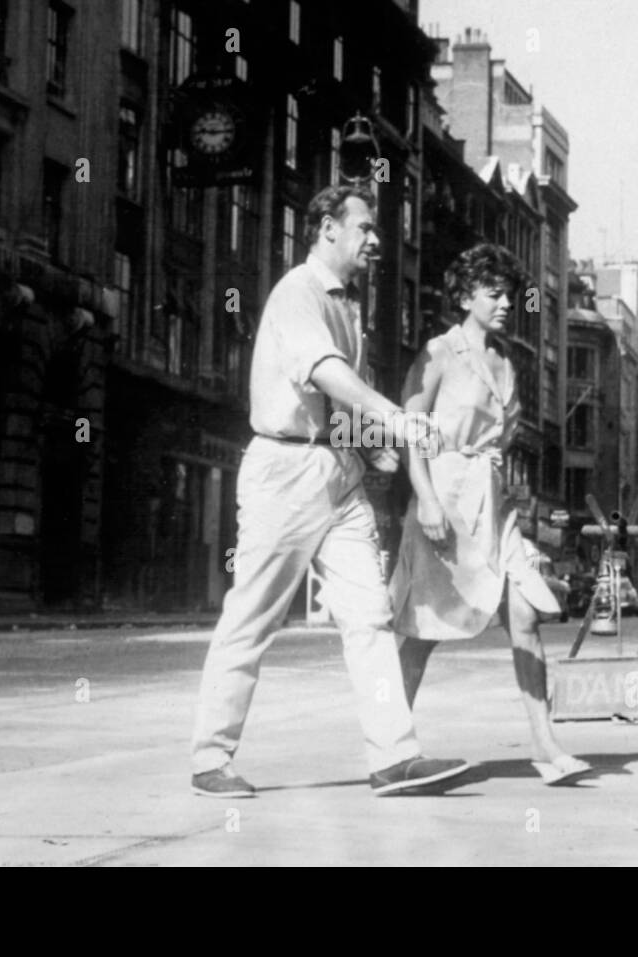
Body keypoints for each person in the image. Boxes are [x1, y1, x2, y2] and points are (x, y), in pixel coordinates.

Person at [190, 185, 471, 798]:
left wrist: (369, 443)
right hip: (284, 471)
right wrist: (394, 418)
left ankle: (394, 758)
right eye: (365, 228)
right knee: (253, 615)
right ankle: (210, 760)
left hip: (337, 473)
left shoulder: (349, 305)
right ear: (326, 229)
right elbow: (321, 372)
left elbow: (334, 398)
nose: (376, 240)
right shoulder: (297, 293)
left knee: (369, 616)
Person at [390, 243, 594, 786]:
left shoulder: (507, 361)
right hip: (447, 500)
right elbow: (411, 432)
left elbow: (502, 435)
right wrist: (426, 498)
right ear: (464, 296)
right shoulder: (438, 352)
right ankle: (391, 745)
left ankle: (546, 745)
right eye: (493, 294)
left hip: (495, 502)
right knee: (423, 628)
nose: (506, 303)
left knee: (525, 614)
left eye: (509, 294)